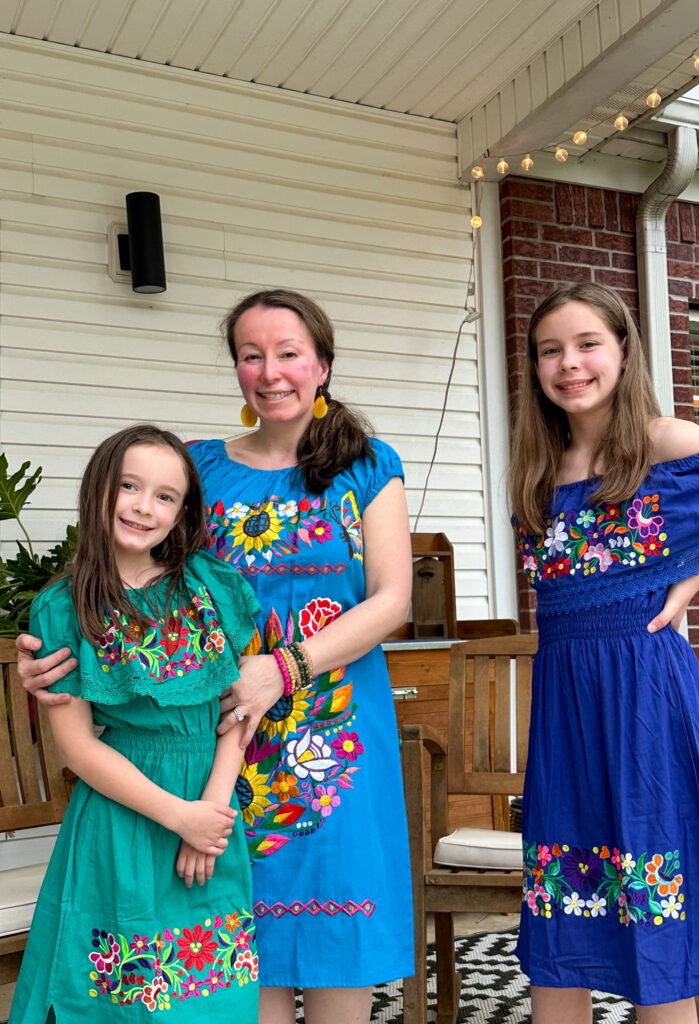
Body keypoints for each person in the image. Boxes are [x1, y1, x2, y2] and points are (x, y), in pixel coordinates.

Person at [17, 290, 414, 1024]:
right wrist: (44, 656)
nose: (270, 372)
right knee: (227, 946)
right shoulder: (196, 467)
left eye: (289, 353)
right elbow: (131, 585)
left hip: (335, 737)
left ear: (322, 363)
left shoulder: (366, 465)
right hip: (214, 745)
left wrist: (284, 668)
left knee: (338, 934)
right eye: (250, 355)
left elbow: (393, 600)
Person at [509, 281, 699, 1023]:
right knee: (561, 909)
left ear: (623, 350)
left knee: (657, 907)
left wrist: (691, 582)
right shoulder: (538, 467)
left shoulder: (665, 443)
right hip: (564, 710)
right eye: (550, 350)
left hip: (644, 698)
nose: (569, 364)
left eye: (588, 344)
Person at [10, 424, 265, 1023]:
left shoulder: (212, 587)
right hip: (124, 818)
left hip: (211, 811)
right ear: (101, 488)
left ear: (182, 514)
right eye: (129, 486)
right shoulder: (63, 606)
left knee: (213, 1000)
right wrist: (181, 817)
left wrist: (210, 815)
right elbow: (76, 747)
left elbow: (239, 712)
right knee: (125, 1004)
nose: (143, 506)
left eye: (165, 496)